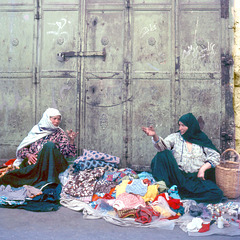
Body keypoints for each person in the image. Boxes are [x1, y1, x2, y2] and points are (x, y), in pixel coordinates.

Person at [142, 112, 224, 204]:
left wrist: (202, 169)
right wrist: (154, 136)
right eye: (179, 125)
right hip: (178, 176)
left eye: (183, 125)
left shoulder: (201, 139)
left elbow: (215, 156)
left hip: (195, 179)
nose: (180, 128)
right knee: (162, 154)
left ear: (191, 126)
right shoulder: (175, 137)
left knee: (217, 194)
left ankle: (181, 197)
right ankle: (169, 190)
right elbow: (162, 146)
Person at [0, 108, 78, 188]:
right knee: (8, 177)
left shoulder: (60, 133)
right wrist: (28, 155)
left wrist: (71, 140)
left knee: (49, 145)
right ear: (47, 119)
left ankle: (51, 180)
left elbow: (68, 153)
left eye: (59, 119)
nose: (57, 121)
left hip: (50, 165)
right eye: (54, 119)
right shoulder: (36, 130)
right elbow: (22, 149)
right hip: (35, 165)